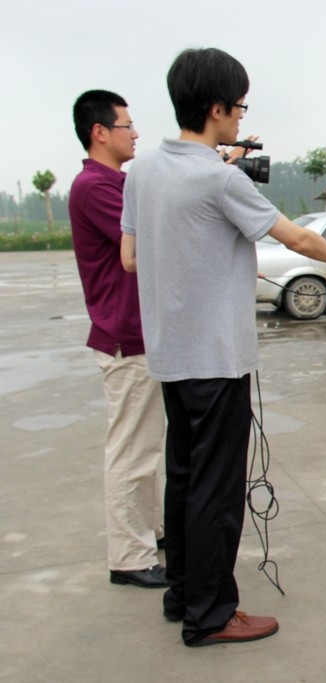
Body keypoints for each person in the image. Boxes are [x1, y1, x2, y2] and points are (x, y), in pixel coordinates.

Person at [120, 47, 326, 647]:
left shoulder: (146, 171)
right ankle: (209, 615)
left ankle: (182, 591)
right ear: (215, 108)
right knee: (218, 491)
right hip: (216, 360)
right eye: (237, 107)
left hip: (172, 358)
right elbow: (298, 238)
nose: (240, 118)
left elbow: (131, 257)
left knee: (184, 478)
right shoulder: (217, 177)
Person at [69, 90, 167, 589]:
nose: (135, 134)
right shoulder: (95, 186)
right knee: (132, 450)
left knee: (148, 447)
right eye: (126, 126)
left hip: (140, 335)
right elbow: (150, 234)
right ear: (99, 132)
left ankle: (149, 533)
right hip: (124, 337)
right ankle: (130, 556)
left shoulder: (118, 183)